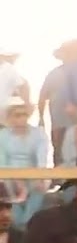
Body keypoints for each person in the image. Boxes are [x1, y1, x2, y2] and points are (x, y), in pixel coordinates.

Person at [0, 96, 50, 229]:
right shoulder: (2, 136)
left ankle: (25, 223)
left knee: (39, 187)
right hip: (9, 175)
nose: (21, 118)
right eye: (17, 115)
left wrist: (37, 177)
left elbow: (41, 160)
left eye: (24, 114)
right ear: (9, 117)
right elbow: (2, 162)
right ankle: (19, 225)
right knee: (8, 188)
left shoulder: (39, 134)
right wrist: (16, 178)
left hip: (33, 174)